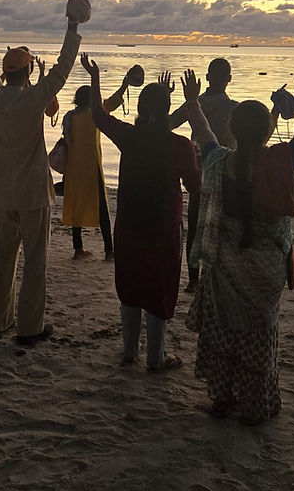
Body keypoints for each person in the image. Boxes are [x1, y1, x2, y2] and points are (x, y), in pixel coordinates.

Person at [182, 68, 294, 424]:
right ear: (268, 131)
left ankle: (222, 399)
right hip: (267, 269)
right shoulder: (282, 160)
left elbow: (203, 132)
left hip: (224, 265)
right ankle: (255, 407)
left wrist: (193, 100)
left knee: (223, 333)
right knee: (260, 336)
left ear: (234, 130)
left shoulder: (219, 160)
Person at [0, 0, 86, 345]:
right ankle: (29, 328)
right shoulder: (34, 98)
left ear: (7, 72)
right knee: (35, 261)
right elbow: (65, 65)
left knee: (3, 257)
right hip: (33, 193)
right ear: (30, 70)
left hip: (1, 192)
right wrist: (72, 24)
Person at [83, 56, 200, 373]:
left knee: (131, 285)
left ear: (140, 108)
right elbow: (195, 185)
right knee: (160, 287)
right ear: (167, 108)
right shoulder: (179, 145)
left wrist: (94, 77)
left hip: (130, 225)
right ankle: (156, 357)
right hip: (163, 228)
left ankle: (129, 352)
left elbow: (97, 115)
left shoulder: (130, 137)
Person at [168, 58, 238, 293]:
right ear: (229, 79)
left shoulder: (193, 105)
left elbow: (167, 124)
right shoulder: (234, 109)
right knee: (221, 226)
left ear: (207, 78)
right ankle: (214, 276)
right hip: (226, 173)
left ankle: (193, 279)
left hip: (198, 172)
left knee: (196, 226)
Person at [61, 77, 127, 261]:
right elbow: (112, 102)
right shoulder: (95, 115)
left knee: (76, 205)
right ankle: (109, 250)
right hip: (92, 165)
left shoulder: (69, 117)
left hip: (74, 167)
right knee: (102, 208)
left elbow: (67, 141)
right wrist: (124, 84)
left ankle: (78, 248)